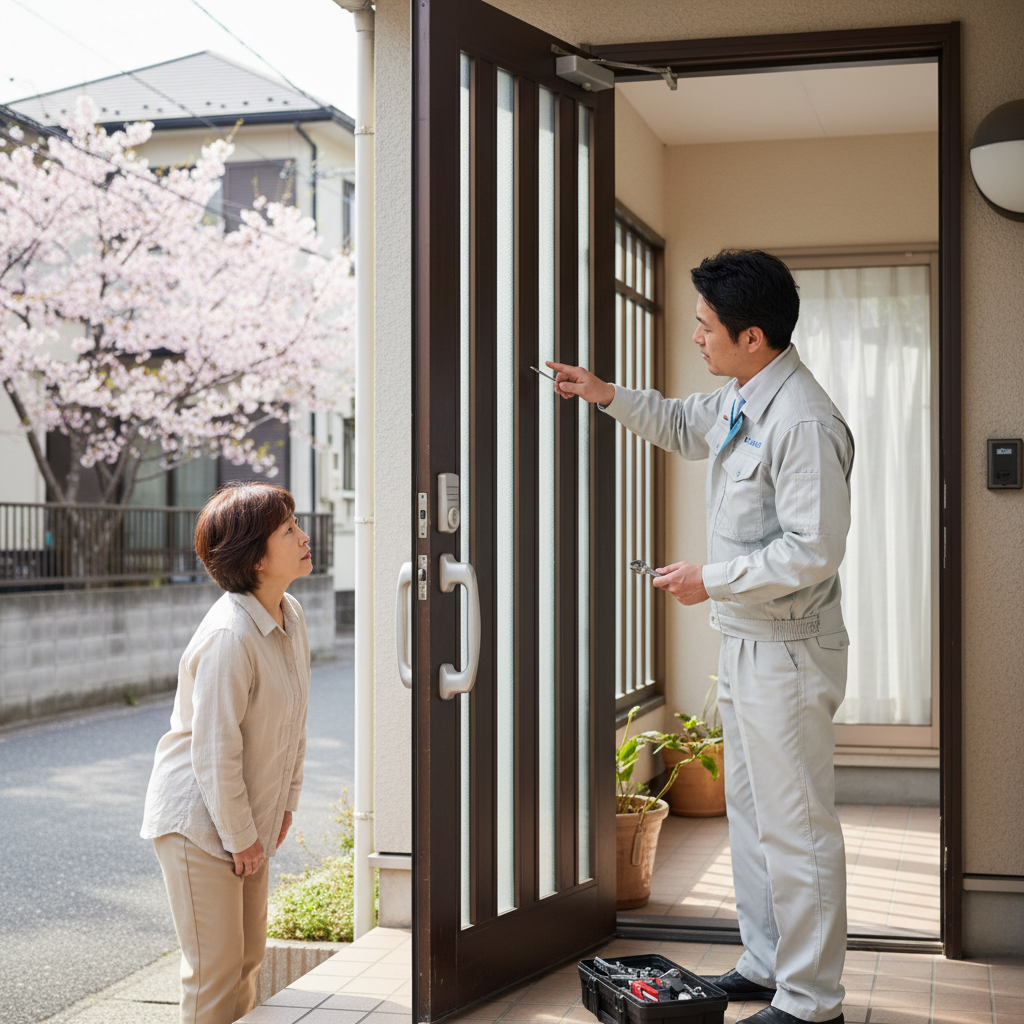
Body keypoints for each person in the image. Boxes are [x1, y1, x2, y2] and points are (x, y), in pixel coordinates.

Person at [549, 249, 854, 1024]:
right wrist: (605, 393)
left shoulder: (805, 420)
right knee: (751, 821)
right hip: (750, 643)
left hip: (787, 652)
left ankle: (813, 1001)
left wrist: (709, 577)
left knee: (797, 829)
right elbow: (684, 425)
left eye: (705, 326)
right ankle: (763, 964)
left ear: (754, 336)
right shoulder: (744, 392)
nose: (696, 338)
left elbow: (813, 550)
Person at [141, 482, 313, 1024]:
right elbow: (215, 753)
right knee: (214, 973)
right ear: (254, 556)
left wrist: (284, 805)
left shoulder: (291, 614)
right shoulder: (228, 635)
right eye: (288, 530)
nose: (303, 536)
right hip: (197, 821)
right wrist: (243, 838)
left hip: (243, 816)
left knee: (246, 961)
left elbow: (294, 722)